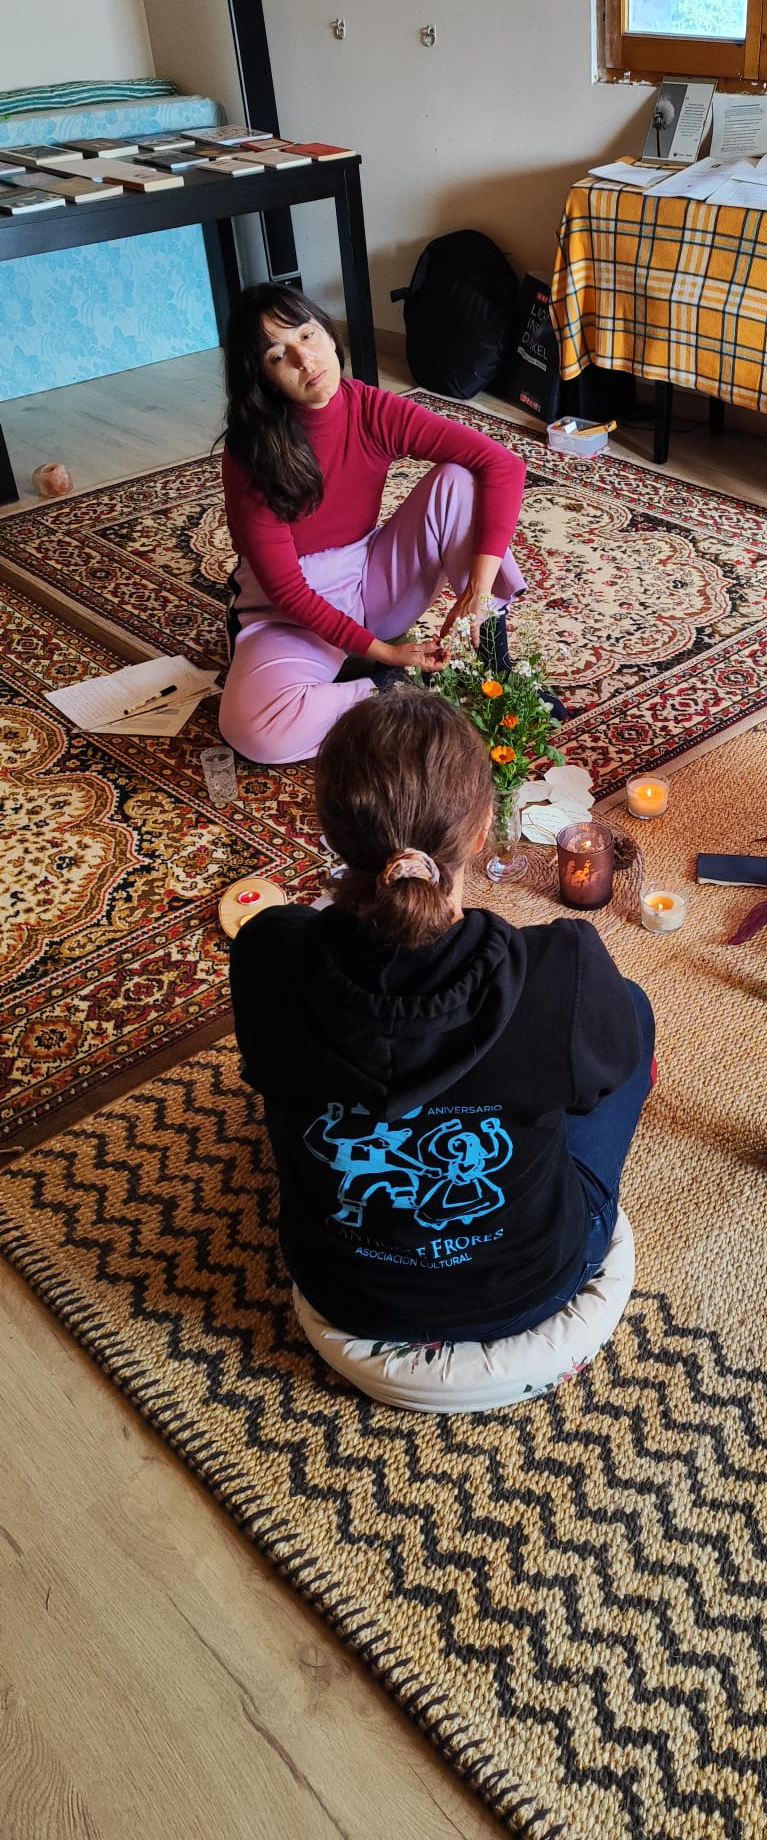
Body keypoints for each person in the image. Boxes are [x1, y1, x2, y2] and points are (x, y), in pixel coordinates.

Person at [229, 687, 656, 1365]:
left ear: (328, 831)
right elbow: (608, 1067)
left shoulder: (267, 953)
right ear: (482, 829)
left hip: (343, 1285)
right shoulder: (563, 971)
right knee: (626, 1008)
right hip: (530, 1284)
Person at [217, 282, 529, 764]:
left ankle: (496, 672)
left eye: (307, 335)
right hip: (289, 612)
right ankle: (397, 689)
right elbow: (288, 592)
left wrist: (479, 592)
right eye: (278, 356)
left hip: (371, 577)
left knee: (458, 481)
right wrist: (389, 656)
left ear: (329, 334)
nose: (304, 359)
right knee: (253, 731)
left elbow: (501, 465)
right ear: (262, 377)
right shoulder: (249, 453)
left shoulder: (370, 407)